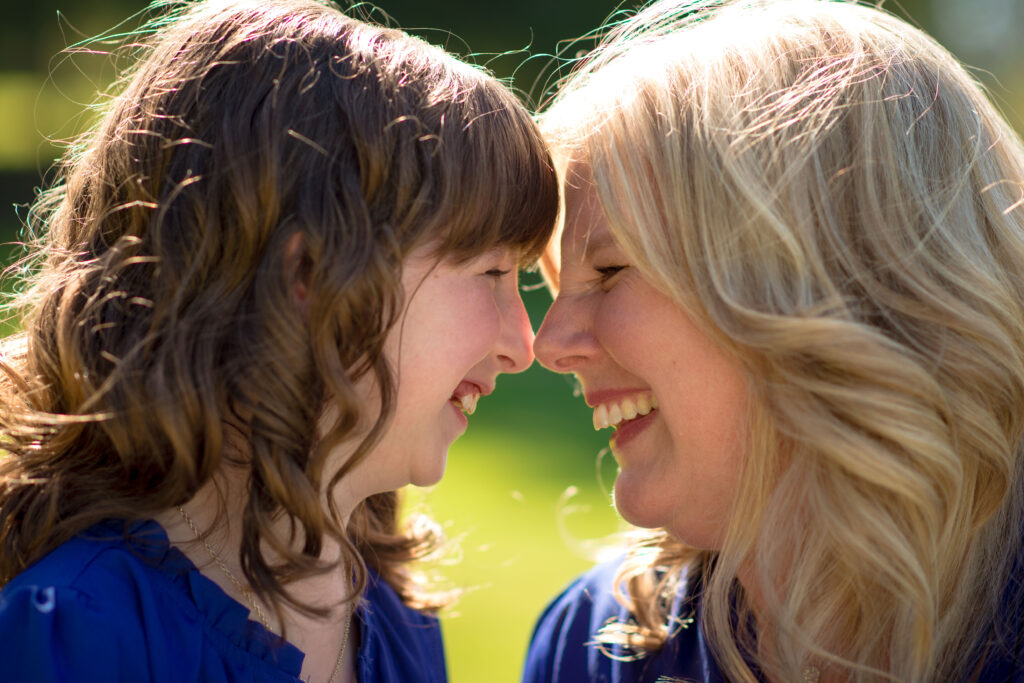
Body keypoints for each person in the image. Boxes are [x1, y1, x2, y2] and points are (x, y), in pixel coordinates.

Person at [0, 0, 557, 681]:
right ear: (310, 274)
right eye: (492, 272)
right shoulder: (77, 635)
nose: (522, 344)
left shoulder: (398, 621)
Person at [524, 0, 1024, 681]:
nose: (548, 344)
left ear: (827, 277)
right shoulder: (593, 645)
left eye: (610, 271)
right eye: (559, 287)